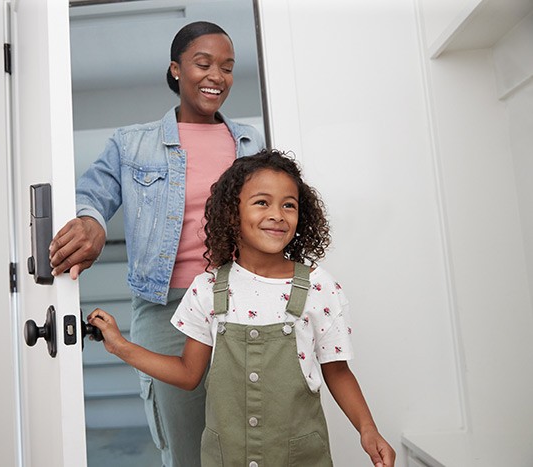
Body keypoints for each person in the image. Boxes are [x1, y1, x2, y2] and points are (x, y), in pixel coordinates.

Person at [86, 149, 396, 467]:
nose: (277, 214)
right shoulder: (207, 289)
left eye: (289, 205)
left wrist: (367, 429)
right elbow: (187, 373)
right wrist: (120, 346)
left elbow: (338, 372)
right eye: (262, 202)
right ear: (233, 214)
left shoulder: (319, 287)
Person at [49, 21, 265, 467]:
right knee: (187, 450)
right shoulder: (133, 143)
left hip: (242, 301)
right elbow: (91, 195)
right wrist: (91, 222)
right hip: (167, 309)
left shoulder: (250, 141)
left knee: (250, 443)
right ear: (176, 70)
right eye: (203, 63)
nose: (216, 76)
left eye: (227, 68)